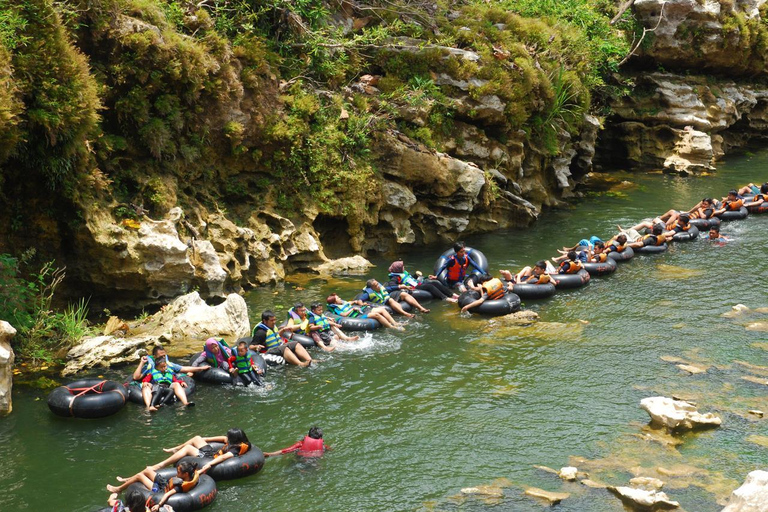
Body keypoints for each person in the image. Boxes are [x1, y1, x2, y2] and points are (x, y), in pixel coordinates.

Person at [147, 428, 253, 472]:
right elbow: (223, 439)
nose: (227, 437)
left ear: (234, 439)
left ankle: (160, 465)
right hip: (212, 453)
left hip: (209, 458)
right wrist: (205, 439)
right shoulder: (244, 443)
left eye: (229, 436)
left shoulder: (235, 449)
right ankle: (176, 449)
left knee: (188, 448)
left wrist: (210, 464)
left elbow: (225, 456)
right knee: (197, 438)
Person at [106, 460, 202, 507]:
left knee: (140, 476)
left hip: (161, 491)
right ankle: (127, 479)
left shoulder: (179, 486)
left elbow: (168, 494)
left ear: (185, 474)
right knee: (148, 470)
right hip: (165, 484)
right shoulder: (191, 475)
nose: (177, 473)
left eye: (178, 472)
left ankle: (119, 489)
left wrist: (159, 505)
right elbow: (199, 473)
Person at [386, 260, 459, 302]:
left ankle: (452, 294)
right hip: (413, 288)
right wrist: (402, 286)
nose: (404, 267)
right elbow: (391, 285)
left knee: (435, 283)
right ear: (398, 269)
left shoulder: (403, 273)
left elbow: (409, 279)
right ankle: (445, 298)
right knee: (429, 286)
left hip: (417, 284)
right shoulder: (395, 277)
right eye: (402, 266)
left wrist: (416, 275)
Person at [326, 293, 404, 330]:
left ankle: (395, 323)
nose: (340, 298)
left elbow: (350, 302)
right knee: (376, 315)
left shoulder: (343, 303)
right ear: (335, 302)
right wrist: (352, 309)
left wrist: (357, 302)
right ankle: (392, 327)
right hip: (356, 316)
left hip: (361, 311)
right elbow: (343, 314)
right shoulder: (336, 308)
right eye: (338, 298)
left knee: (382, 310)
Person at [132, 345, 209, 382]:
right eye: (161, 356)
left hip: (168, 387)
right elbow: (136, 377)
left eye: (164, 355)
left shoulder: (168, 364)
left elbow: (184, 368)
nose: (163, 358)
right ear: (155, 357)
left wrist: (201, 368)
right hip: (154, 388)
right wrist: (142, 363)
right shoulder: (150, 366)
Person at [360, 279, 429, 315]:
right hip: (382, 303)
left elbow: (392, 288)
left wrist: (405, 286)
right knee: (390, 300)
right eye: (375, 285)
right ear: (372, 288)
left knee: (403, 294)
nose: (378, 286)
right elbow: (360, 300)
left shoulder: (381, 288)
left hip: (387, 298)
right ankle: (405, 313)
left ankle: (421, 308)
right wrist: (362, 304)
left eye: (377, 284)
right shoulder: (368, 294)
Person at [264, 426, 329, 458]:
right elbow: (330, 450)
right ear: (320, 438)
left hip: (301, 461)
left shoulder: (300, 444)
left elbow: (284, 451)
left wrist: (269, 454)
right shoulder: (323, 446)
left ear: (308, 436)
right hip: (315, 463)